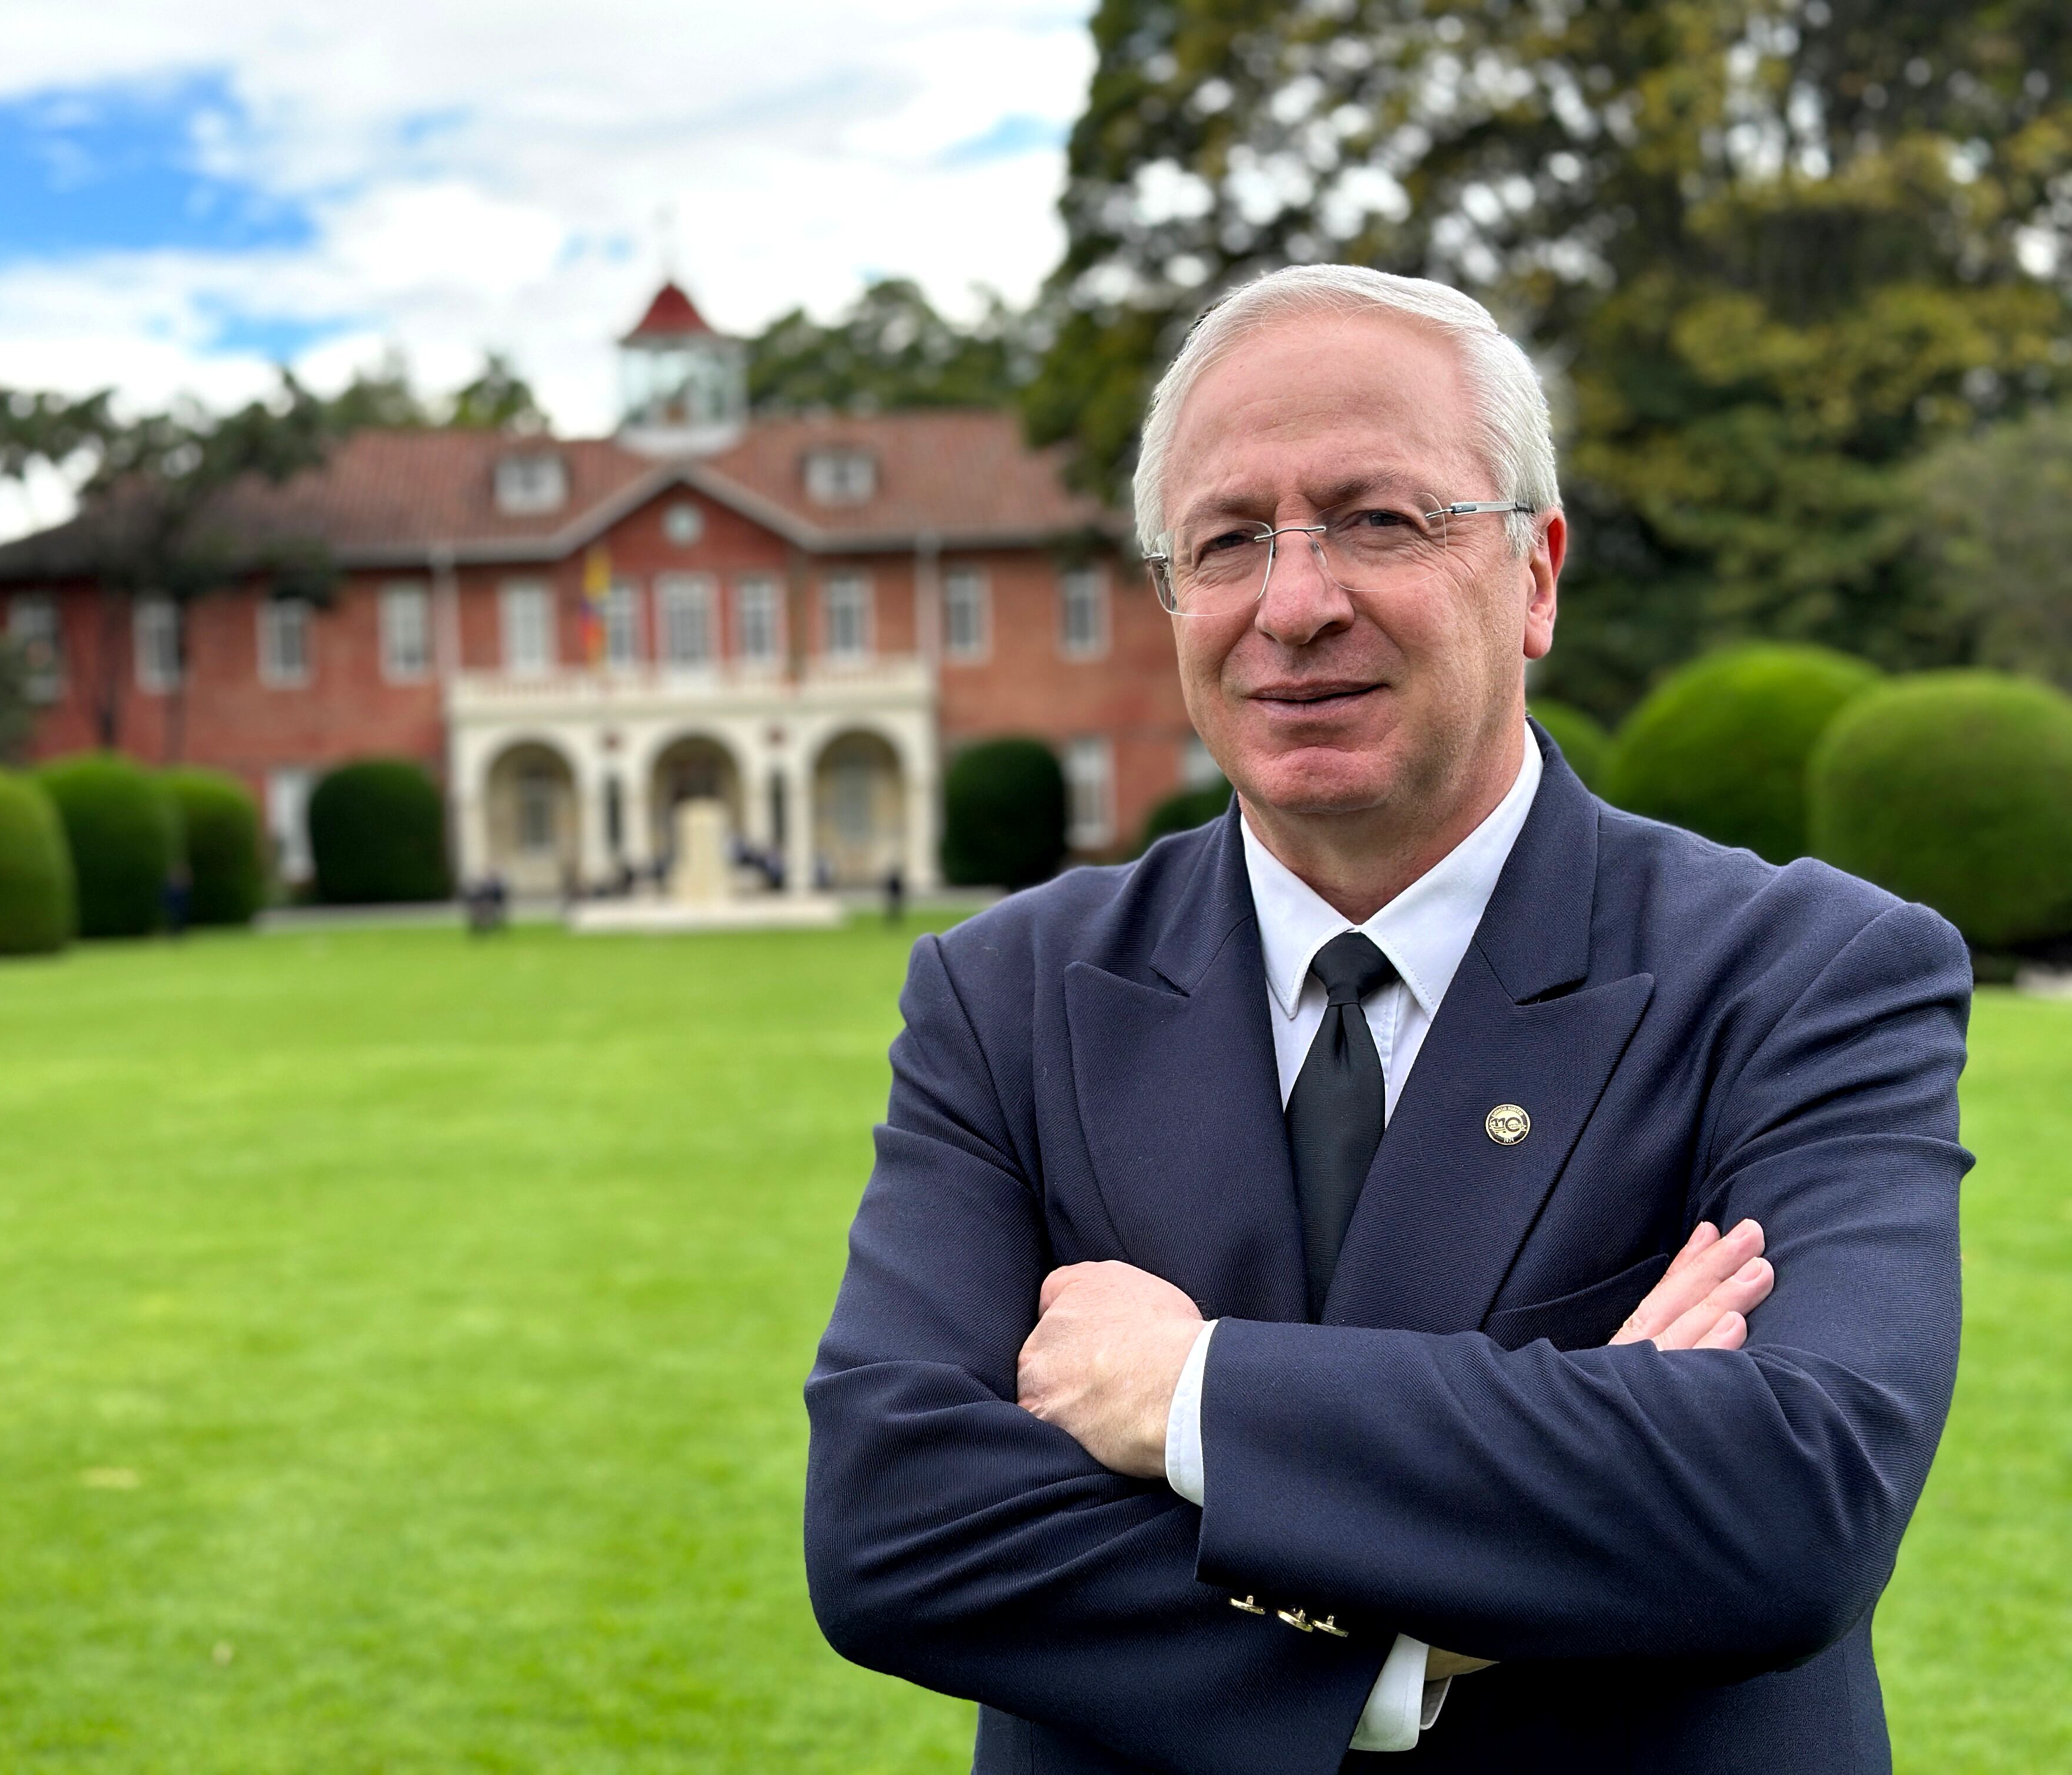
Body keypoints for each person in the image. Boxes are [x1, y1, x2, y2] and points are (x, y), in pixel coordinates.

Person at [803, 265, 1968, 1774]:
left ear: (1537, 576)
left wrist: (1190, 1396)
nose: (1295, 604)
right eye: (1228, 542)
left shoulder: (1809, 973)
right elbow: (897, 1527)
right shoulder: (1006, 994)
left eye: (1379, 519)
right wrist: (1434, 1632)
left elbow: (1801, 1498)